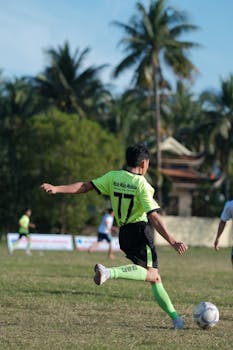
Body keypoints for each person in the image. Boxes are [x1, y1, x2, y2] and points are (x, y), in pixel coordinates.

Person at [41, 143, 188, 329]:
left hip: (124, 234)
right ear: (144, 164)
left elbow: (85, 186)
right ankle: (109, 272)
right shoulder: (141, 184)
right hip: (140, 231)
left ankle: (176, 320)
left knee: (155, 277)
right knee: (152, 274)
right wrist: (173, 241)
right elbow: (154, 217)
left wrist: (57, 188)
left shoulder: (113, 176)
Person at [214, 199, 233, 267]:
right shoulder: (230, 205)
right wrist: (217, 238)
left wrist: (217, 238)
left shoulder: (230, 205)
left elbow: (223, 222)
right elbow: (223, 221)